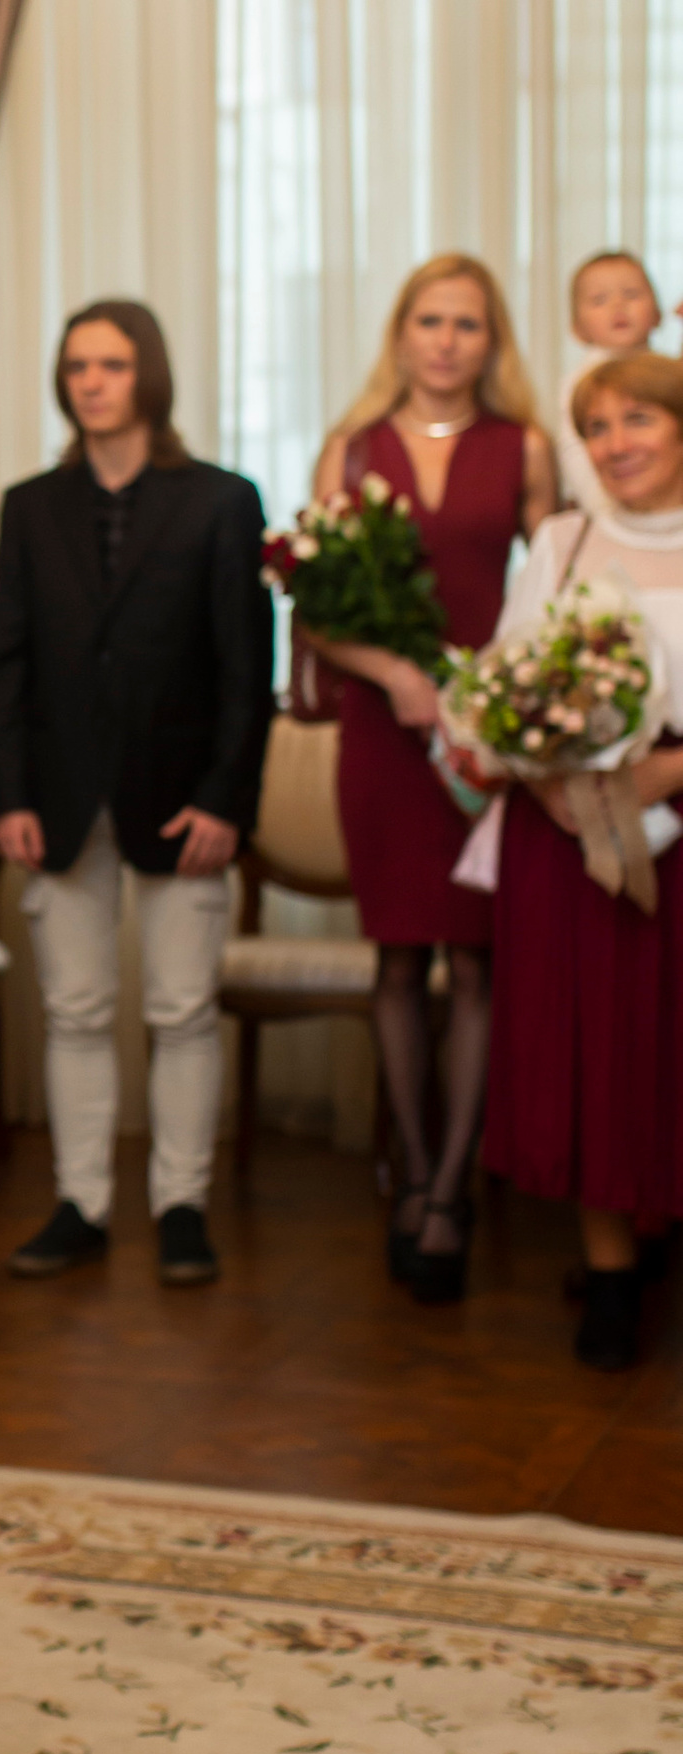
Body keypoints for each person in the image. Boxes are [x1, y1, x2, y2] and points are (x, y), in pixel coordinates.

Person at [0, 301, 271, 1291]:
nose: (90, 381)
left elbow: (246, 670)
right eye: (75, 366)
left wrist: (227, 801)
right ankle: (80, 1204)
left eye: (109, 364)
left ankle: (180, 1208)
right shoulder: (29, 506)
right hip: (57, 805)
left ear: (147, 375)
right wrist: (6, 794)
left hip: (184, 803)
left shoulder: (222, 503)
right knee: (72, 1013)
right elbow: (4, 667)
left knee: (183, 1011)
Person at [305, 254, 555, 1303]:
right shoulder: (350, 447)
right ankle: (412, 1175)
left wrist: (501, 703)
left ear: (490, 342)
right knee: (399, 965)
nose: (446, 340)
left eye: (467, 323)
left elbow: (557, 597)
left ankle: (451, 1190)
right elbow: (312, 607)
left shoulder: (526, 448)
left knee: (478, 967)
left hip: (486, 740)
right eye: (428, 320)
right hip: (384, 734)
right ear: (399, 334)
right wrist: (395, 673)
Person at [483, 353, 683, 1373]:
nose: (617, 445)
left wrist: (670, 771)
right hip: (567, 843)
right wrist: (539, 768)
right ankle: (608, 1274)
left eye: (637, 420)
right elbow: (502, 688)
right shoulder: (560, 542)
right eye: (597, 429)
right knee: (600, 1054)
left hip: (675, 832)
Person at [559, 252, 665, 514]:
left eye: (631, 294)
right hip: (605, 508)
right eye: (599, 300)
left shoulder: (666, 372)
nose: (618, 305)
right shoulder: (582, 382)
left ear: (657, 314)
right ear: (577, 328)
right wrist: (600, 507)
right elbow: (573, 449)